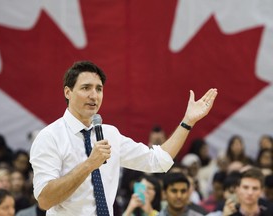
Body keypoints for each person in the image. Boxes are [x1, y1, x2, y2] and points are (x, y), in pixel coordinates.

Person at [29, 60, 218, 215]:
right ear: (67, 92)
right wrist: (89, 164)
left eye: (99, 89)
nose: (94, 95)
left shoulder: (110, 134)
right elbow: (45, 200)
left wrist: (188, 121)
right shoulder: (50, 137)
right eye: (86, 88)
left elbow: (159, 161)